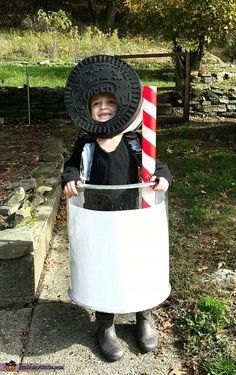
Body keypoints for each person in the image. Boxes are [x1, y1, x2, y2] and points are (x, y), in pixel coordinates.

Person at [62, 89, 171, 361]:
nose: (104, 108)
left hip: (133, 216)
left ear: (121, 108)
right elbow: (71, 168)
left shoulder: (135, 143)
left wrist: (162, 178)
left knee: (136, 263)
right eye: (97, 103)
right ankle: (106, 322)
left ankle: (143, 315)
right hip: (97, 218)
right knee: (103, 266)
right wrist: (70, 179)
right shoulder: (85, 145)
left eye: (110, 102)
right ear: (88, 112)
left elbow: (157, 165)